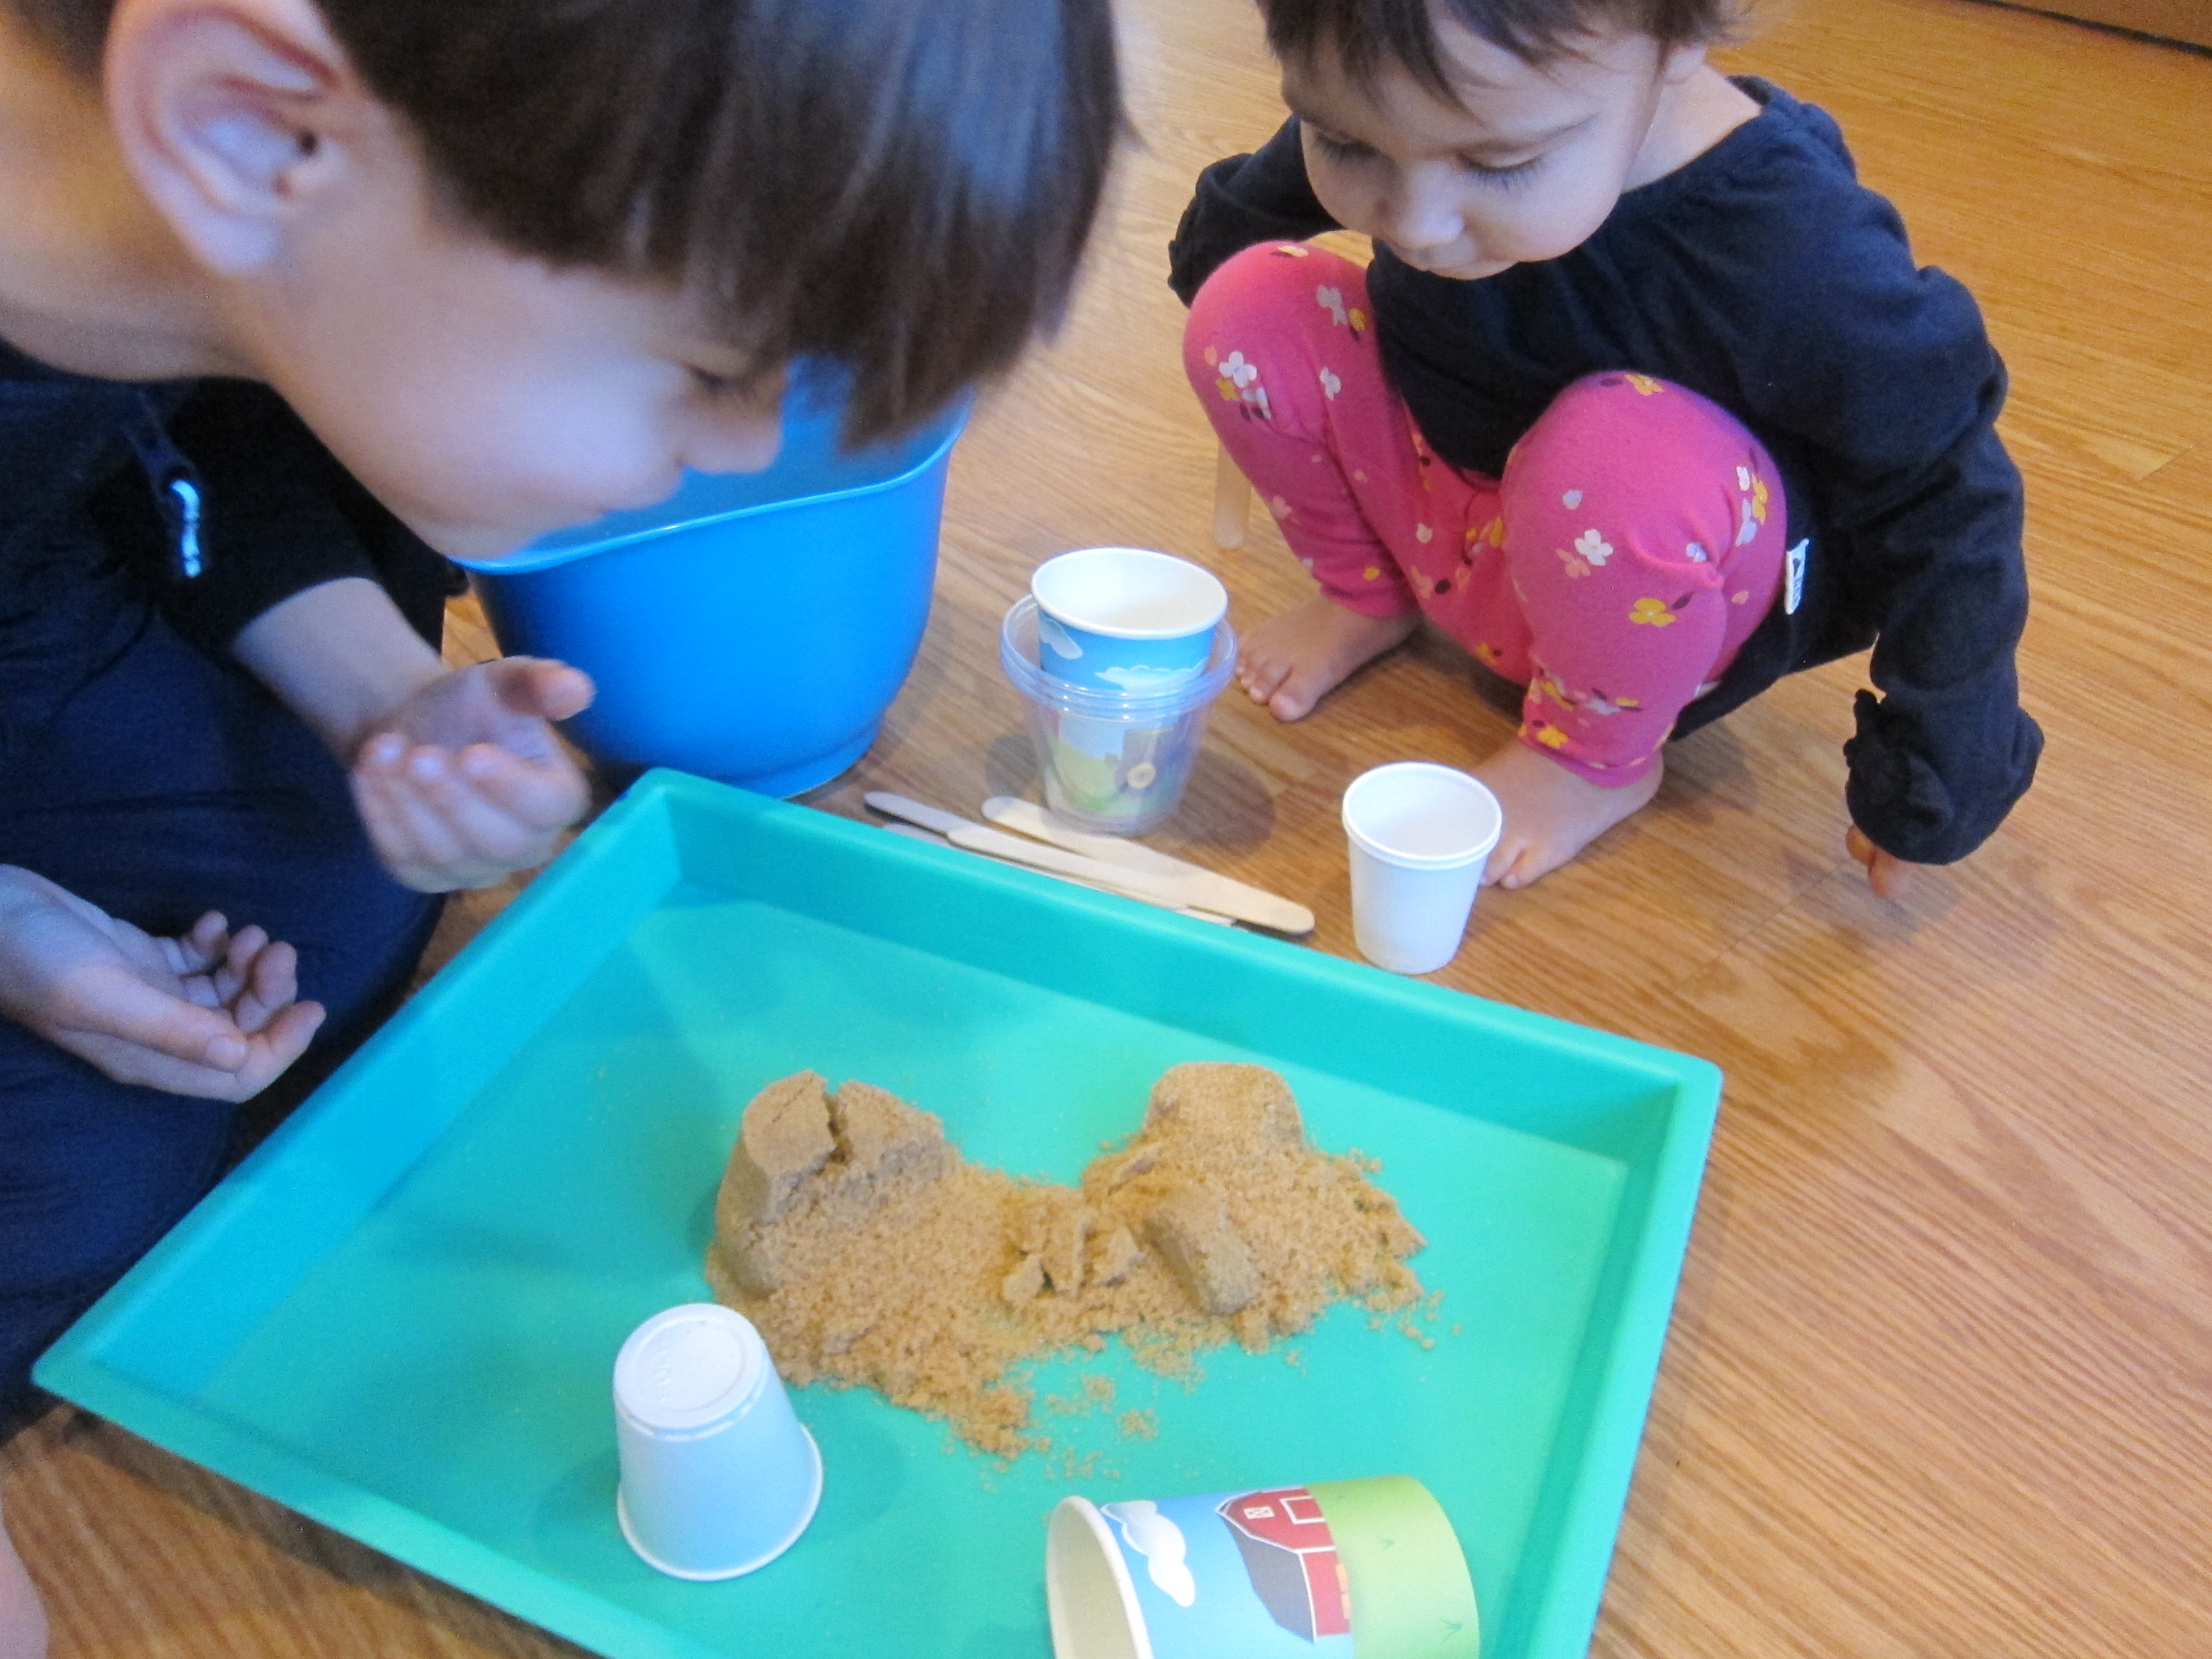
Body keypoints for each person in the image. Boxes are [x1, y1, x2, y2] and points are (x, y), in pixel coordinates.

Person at [0, 0, 1120, 1642]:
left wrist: (383, 699)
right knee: (70, 1204)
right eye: (706, 371)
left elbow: (202, 446)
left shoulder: (195, 255)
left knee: (332, 897)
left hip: (57, 581)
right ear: (246, 126)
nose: (736, 456)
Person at [1170, 0, 2041, 893]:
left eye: (1497, 161)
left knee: (1618, 457)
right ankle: (1367, 594)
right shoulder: (1427, 89)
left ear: (1676, 40)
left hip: (1646, 600)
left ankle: (1591, 760)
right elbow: (1274, 190)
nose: (1416, 223)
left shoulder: (1798, 250)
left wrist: (1936, 762)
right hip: (1451, 516)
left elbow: (1941, 485)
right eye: (1349, 143)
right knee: (1247, 304)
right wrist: (1216, 261)